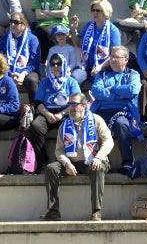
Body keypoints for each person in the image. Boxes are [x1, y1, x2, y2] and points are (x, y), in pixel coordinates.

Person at [39, 92, 113, 222]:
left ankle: (96, 211)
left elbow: (108, 141)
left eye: (74, 104)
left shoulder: (96, 120)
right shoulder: (64, 125)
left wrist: (98, 157)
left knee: (98, 167)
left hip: (94, 161)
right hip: (72, 163)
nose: (71, 107)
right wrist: (67, 163)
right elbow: (59, 150)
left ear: (84, 106)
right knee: (51, 168)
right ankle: (53, 211)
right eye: (69, 104)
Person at [91, 45, 143, 174]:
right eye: (111, 57)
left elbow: (133, 90)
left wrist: (111, 88)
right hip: (101, 111)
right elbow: (96, 92)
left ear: (125, 59)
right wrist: (120, 94)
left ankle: (127, 162)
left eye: (116, 57)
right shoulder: (102, 74)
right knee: (91, 124)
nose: (113, 60)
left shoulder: (133, 74)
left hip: (124, 112)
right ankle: (98, 161)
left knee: (121, 124)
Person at [29, 53, 81, 173]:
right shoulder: (45, 82)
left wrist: (61, 114)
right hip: (47, 112)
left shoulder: (71, 82)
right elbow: (38, 103)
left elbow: (76, 103)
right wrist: (47, 114)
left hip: (66, 113)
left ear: (64, 65)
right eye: (53, 64)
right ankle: (42, 161)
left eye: (59, 63)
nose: (56, 66)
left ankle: (66, 162)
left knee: (69, 127)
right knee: (35, 127)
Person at [69, 0, 120, 87]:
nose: (94, 13)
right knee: (73, 79)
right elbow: (78, 44)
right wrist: (73, 29)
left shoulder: (113, 30)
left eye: (98, 10)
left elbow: (115, 55)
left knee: (95, 83)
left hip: (104, 69)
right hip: (85, 67)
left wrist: (100, 67)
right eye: (93, 10)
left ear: (106, 12)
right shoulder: (89, 26)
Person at [31, 0, 71, 64]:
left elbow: (64, 13)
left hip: (61, 25)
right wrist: (56, 13)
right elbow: (38, 15)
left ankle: (57, 65)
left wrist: (46, 11)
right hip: (43, 26)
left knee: (56, 34)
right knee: (43, 34)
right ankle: (44, 64)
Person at [0, 12, 40, 103]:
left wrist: (23, 73)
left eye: (16, 22)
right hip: (8, 71)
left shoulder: (32, 39)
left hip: (28, 71)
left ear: (23, 25)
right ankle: (5, 112)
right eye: (11, 21)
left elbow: (34, 62)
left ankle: (35, 110)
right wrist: (10, 73)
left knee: (32, 80)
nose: (12, 24)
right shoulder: (4, 39)